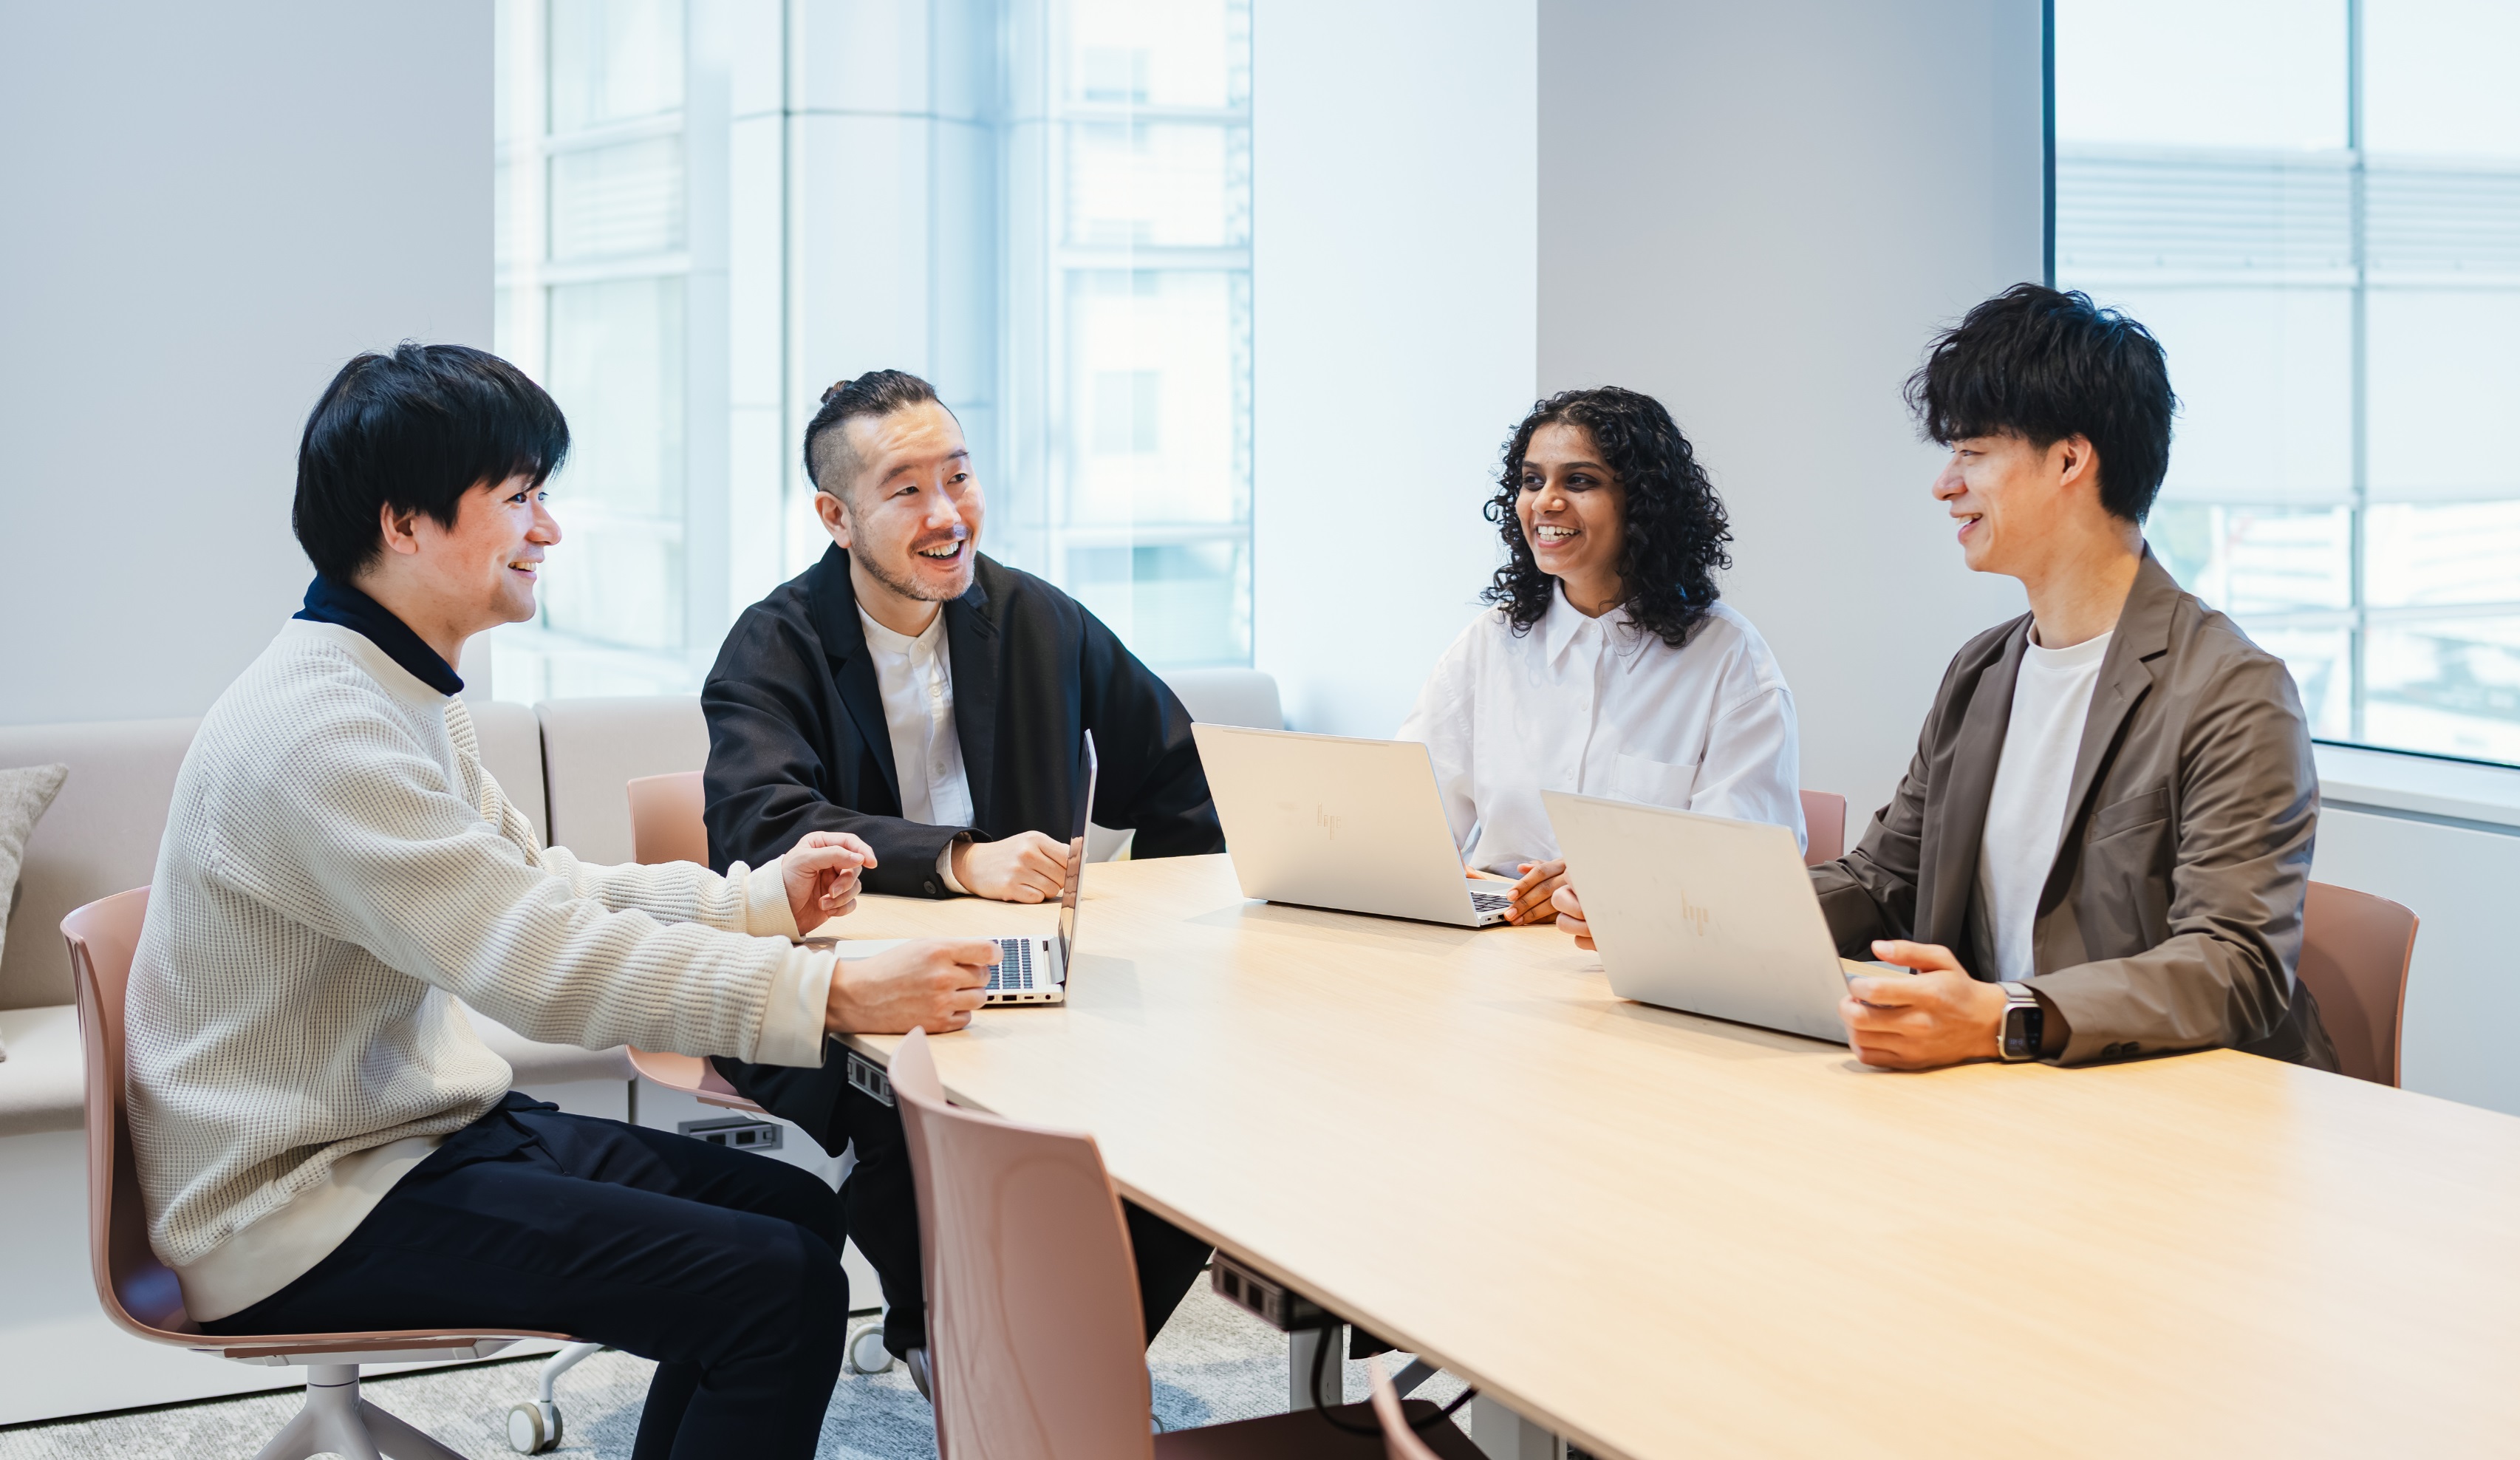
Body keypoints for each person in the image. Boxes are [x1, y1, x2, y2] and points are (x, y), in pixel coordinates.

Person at [126, 343, 996, 1460]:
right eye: (520, 498)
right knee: (771, 1290)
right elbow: (543, 965)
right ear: (405, 525)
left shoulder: (389, 685)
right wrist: (825, 992)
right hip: (298, 1203)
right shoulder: (323, 732)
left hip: (404, 1134)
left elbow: (540, 888)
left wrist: (752, 905)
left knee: (793, 1215)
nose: (548, 528)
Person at [1557, 286, 2338, 1073]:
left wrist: (2009, 1016)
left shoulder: (2232, 691)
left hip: (2157, 1106)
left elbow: (2234, 963)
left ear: (2070, 459)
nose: (1945, 483)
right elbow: (1884, 878)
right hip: (1999, 1091)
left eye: (1971, 453)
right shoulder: (1983, 670)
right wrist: (1686, 912)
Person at [698, 369, 1219, 1383]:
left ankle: (1055, 1369)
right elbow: (764, 824)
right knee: (923, 1113)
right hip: (847, 985)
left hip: (1036, 979)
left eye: (960, 477)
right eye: (904, 489)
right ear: (835, 516)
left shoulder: (1037, 620)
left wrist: (1133, 917)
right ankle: (948, 1338)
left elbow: (1182, 780)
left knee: (1178, 1138)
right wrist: (953, 860)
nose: (945, 515)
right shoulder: (776, 643)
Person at [1397, 386, 1803, 926]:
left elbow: (1743, 867)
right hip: (1497, 947)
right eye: (1531, 480)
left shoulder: (1730, 659)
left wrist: (1611, 879)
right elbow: (1406, 819)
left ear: (1642, 503)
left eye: (1579, 481)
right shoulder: (1489, 642)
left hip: (1644, 954)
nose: (1545, 502)